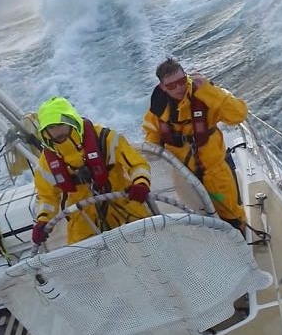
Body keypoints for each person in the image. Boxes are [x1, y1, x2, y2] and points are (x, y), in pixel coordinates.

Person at [142, 58, 248, 231]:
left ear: (187, 77)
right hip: (184, 178)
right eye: (171, 85)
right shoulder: (158, 110)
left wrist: (209, 90)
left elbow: (239, 115)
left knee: (233, 219)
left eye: (181, 81)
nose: (178, 88)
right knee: (200, 221)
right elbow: (152, 140)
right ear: (162, 87)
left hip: (215, 174)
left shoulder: (206, 95)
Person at [32, 96, 154, 245]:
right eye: (51, 128)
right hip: (83, 217)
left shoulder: (106, 139)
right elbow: (47, 197)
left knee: (149, 239)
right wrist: (43, 220)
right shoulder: (46, 162)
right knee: (83, 257)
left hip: (123, 202)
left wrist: (141, 183)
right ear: (45, 132)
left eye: (60, 124)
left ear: (71, 121)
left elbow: (137, 164)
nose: (57, 131)